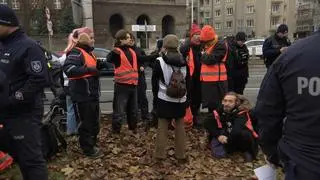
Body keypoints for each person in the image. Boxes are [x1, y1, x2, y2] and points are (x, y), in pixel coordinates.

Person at [255, 30, 320, 179]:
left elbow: (266, 112)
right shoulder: (287, 53)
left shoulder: (292, 55)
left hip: (303, 162)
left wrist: (273, 153)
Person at [0, 5, 49, 179]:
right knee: (18, 154)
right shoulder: (3, 45)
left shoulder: (28, 47)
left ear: (6, 23)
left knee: (31, 161)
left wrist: (15, 98)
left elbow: (38, 79)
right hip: (4, 113)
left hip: (23, 114)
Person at [63, 27, 103, 158]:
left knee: (94, 122)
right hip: (83, 95)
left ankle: (92, 143)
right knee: (85, 123)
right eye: (91, 38)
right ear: (84, 39)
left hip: (92, 94)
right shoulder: (76, 52)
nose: (93, 40)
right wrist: (89, 70)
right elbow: (69, 69)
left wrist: (99, 67)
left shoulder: (89, 53)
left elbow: (91, 69)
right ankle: (88, 149)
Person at [152, 34, 189, 161]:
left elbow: (154, 83)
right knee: (180, 127)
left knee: (162, 127)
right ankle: (181, 154)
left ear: (165, 46)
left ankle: (160, 154)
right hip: (180, 99)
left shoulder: (159, 61)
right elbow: (187, 81)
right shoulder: (184, 62)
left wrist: (155, 100)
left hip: (164, 99)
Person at [204, 92, 258, 162]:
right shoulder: (223, 108)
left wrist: (227, 141)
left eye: (230, 101)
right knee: (218, 154)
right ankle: (229, 149)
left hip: (241, 137)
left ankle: (246, 151)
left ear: (236, 103)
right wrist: (218, 136)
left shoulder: (242, 113)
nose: (227, 104)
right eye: (225, 100)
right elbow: (207, 122)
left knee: (244, 134)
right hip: (227, 134)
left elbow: (236, 131)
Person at [107, 29, 140, 134]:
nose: (130, 38)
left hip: (133, 85)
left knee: (133, 110)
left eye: (130, 37)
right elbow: (109, 59)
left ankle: (133, 128)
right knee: (119, 111)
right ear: (121, 40)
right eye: (127, 37)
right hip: (122, 86)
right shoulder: (117, 52)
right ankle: (116, 131)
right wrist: (113, 51)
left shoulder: (132, 51)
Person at [199, 25, 228, 113]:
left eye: (206, 41)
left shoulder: (220, 45)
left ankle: (218, 124)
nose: (205, 43)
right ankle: (213, 123)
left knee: (217, 106)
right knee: (211, 106)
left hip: (217, 82)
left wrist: (203, 55)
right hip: (209, 81)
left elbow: (209, 60)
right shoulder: (208, 44)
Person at [180, 23, 202, 127]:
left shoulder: (201, 48)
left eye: (199, 35)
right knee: (189, 98)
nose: (198, 38)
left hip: (199, 78)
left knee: (197, 98)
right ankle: (188, 118)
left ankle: (195, 116)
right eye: (196, 36)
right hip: (189, 78)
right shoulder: (185, 48)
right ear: (191, 37)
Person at [59, 30, 80, 136]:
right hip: (75, 85)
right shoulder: (76, 54)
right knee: (77, 108)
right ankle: (74, 130)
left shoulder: (64, 56)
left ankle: (71, 130)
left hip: (67, 86)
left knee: (70, 108)